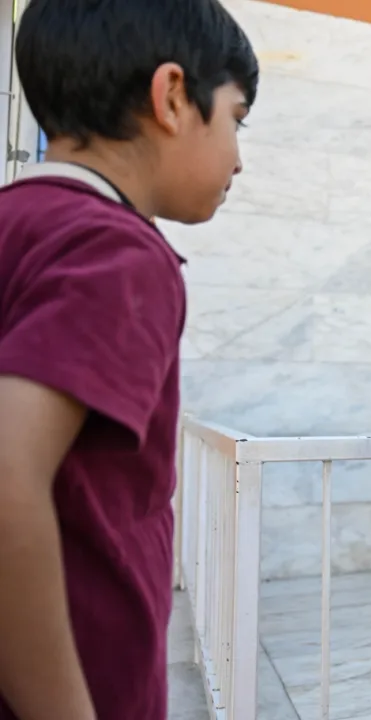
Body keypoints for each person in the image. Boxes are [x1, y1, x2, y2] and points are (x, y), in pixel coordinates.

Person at [0, 1, 257, 719]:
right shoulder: (116, 252)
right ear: (172, 96)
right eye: (236, 119)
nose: (239, 158)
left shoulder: (20, 224)